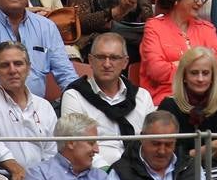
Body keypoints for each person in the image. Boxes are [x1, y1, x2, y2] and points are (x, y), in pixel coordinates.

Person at [0, 41, 59, 180]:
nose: (12, 70)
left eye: (18, 64)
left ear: (28, 68)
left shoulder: (43, 106)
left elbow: (52, 151)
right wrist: (16, 169)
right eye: (5, 65)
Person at [62, 31, 156, 168]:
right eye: (101, 57)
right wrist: (108, 173)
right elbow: (77, 146)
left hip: (140, 171)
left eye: (114, 58)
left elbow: (151, 141)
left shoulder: (142, 96)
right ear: (90, 60)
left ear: (125, 62)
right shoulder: (75, 96)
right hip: (95, 175)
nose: (107, 64)